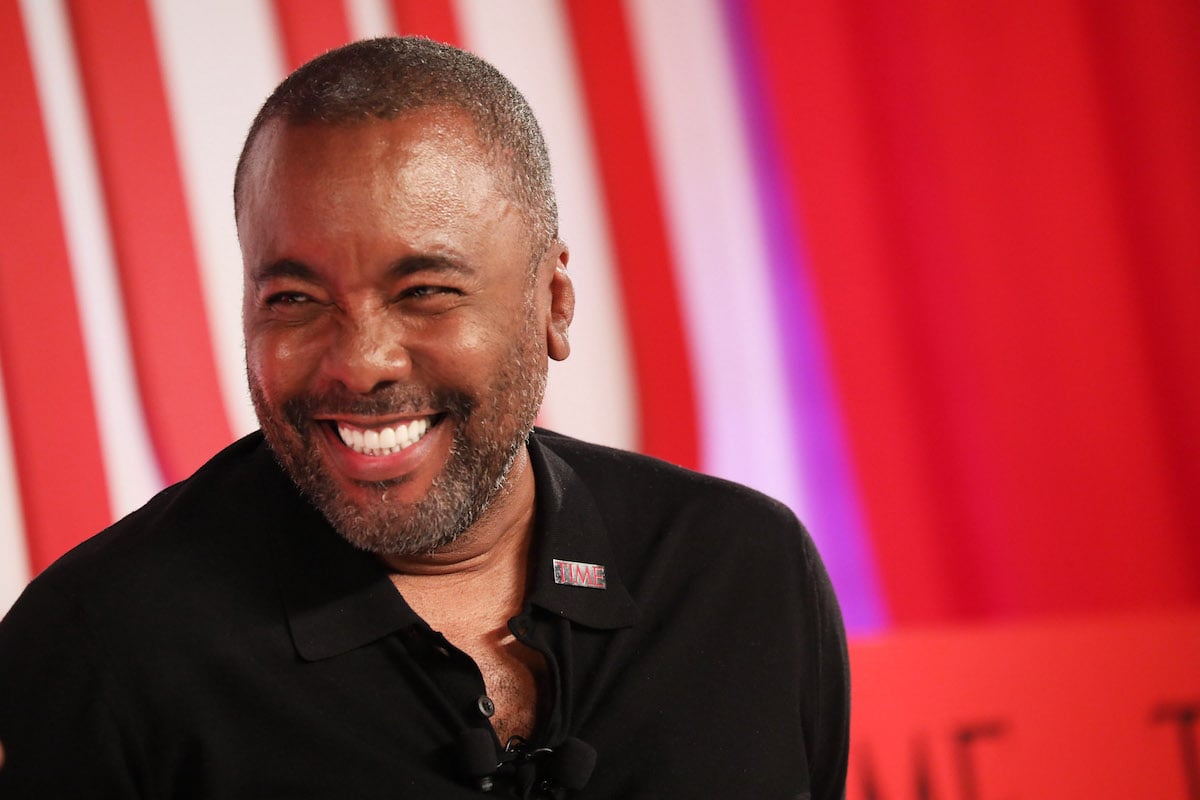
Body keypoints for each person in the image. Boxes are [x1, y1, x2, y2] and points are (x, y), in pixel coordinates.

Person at [0, 37, 848, 798]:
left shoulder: (742, 574)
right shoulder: (94, 651)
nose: (361, 361)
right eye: (294, 298)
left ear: (552, 302)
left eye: (425, 293)